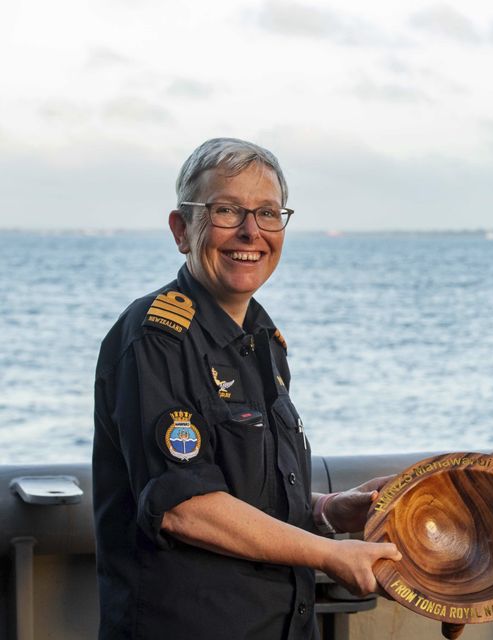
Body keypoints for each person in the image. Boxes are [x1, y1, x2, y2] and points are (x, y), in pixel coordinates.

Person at [92, 138, 400, 639]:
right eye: (227, 210)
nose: (251, 232)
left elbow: (247, 489)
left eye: (267, 212)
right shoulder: (156, 339)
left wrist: (326, 511)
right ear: (181, 229)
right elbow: (185, 507)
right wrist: (332, 555)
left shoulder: (262, 339)